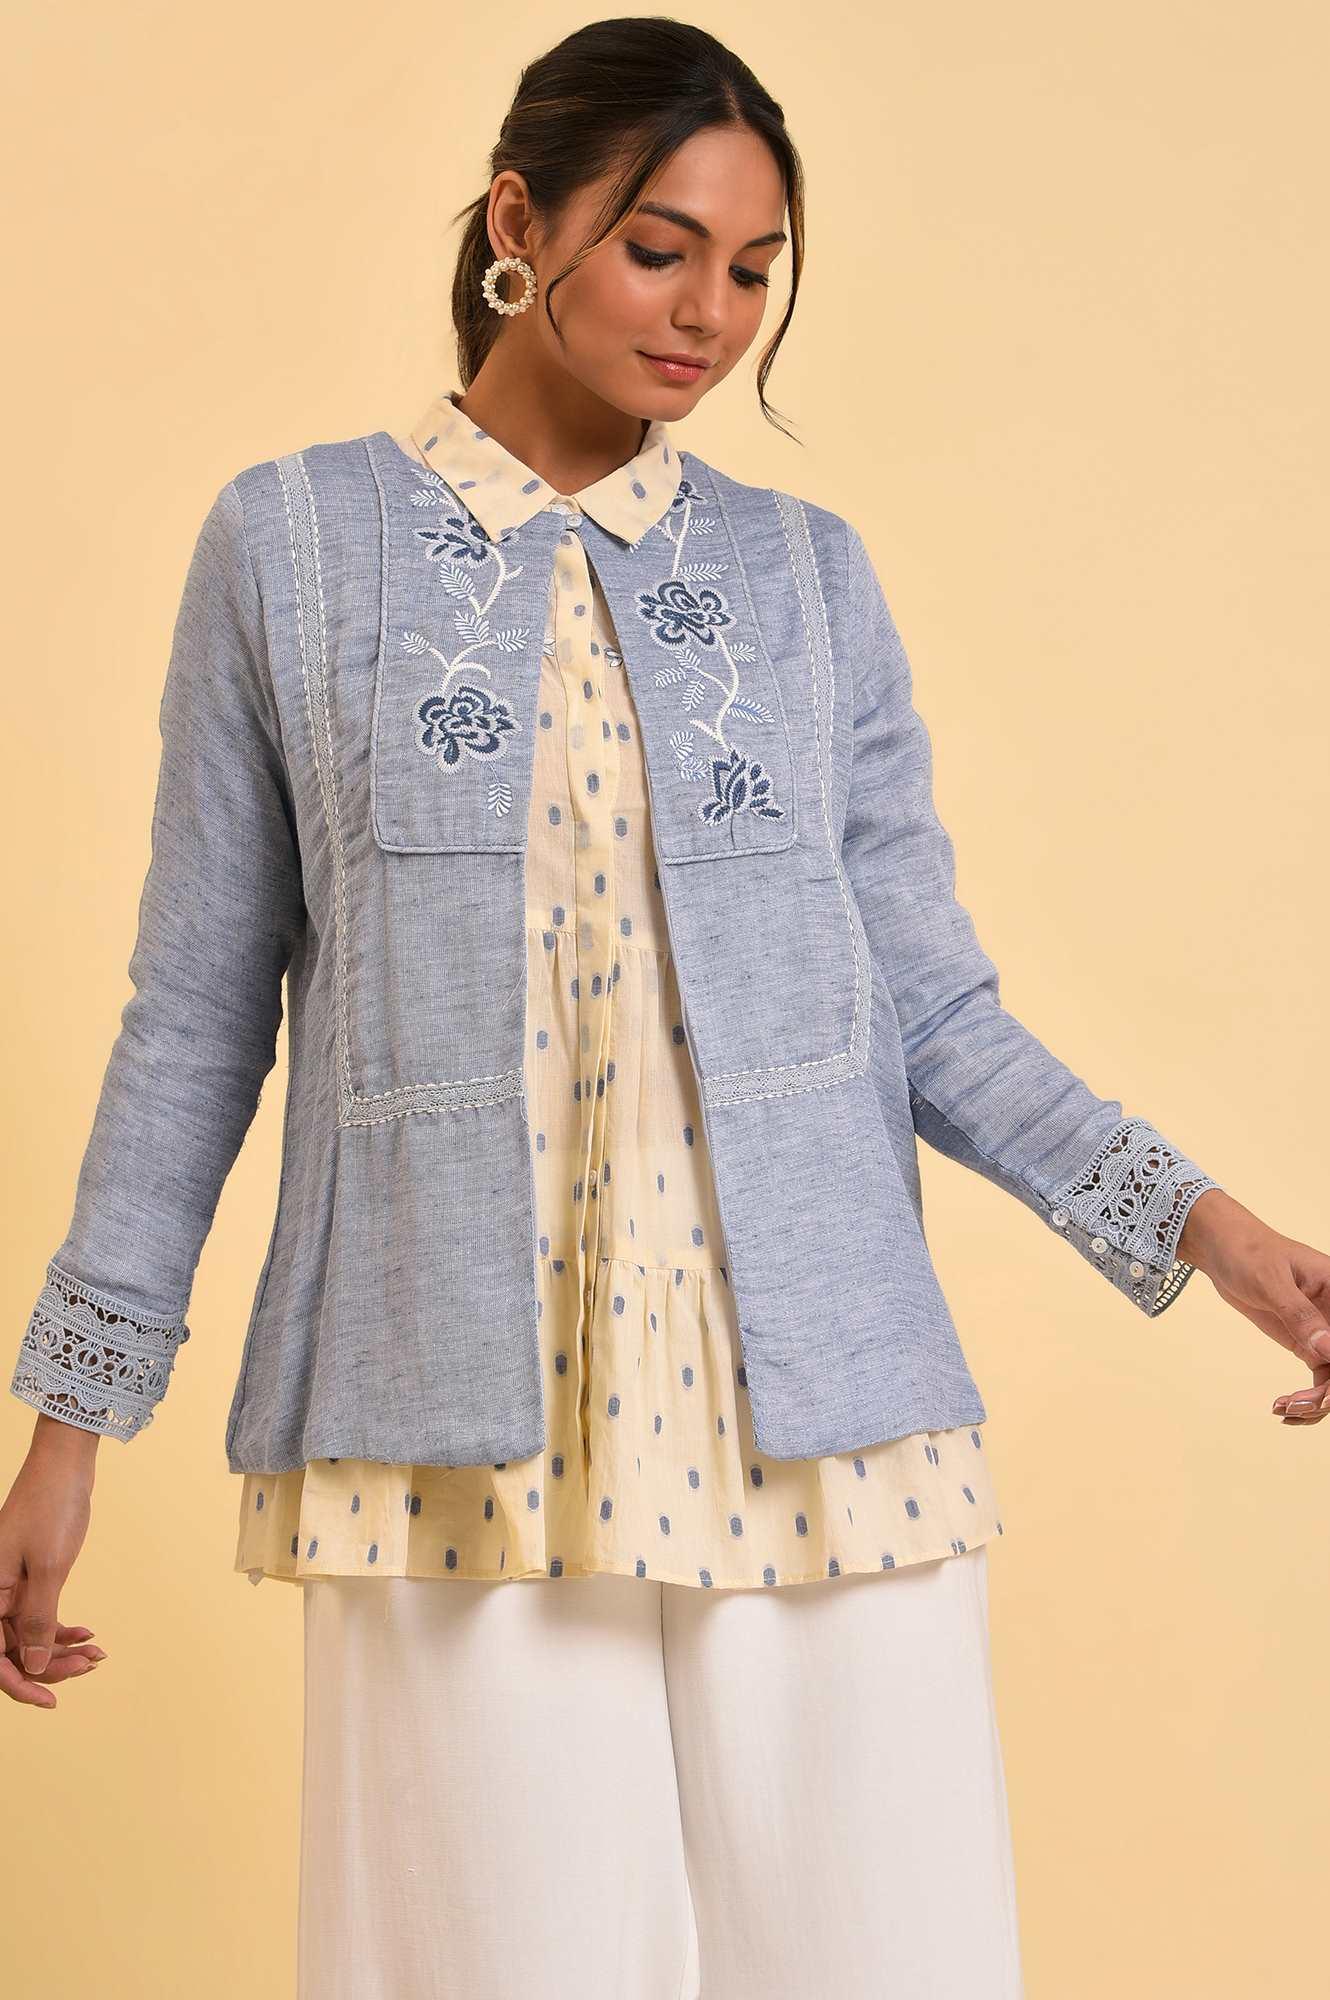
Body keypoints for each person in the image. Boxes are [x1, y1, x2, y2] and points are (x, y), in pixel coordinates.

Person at [3, 18, 1326, 1998]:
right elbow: (195, 1011)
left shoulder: (802, 579)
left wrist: (1213, 1233)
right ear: (517, 222)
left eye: (753, 269)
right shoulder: (289, 549)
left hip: (822, 1416)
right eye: (658, 249)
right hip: (448, 1428)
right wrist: (73, 1423)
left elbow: (924, 1002)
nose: (710, 313)